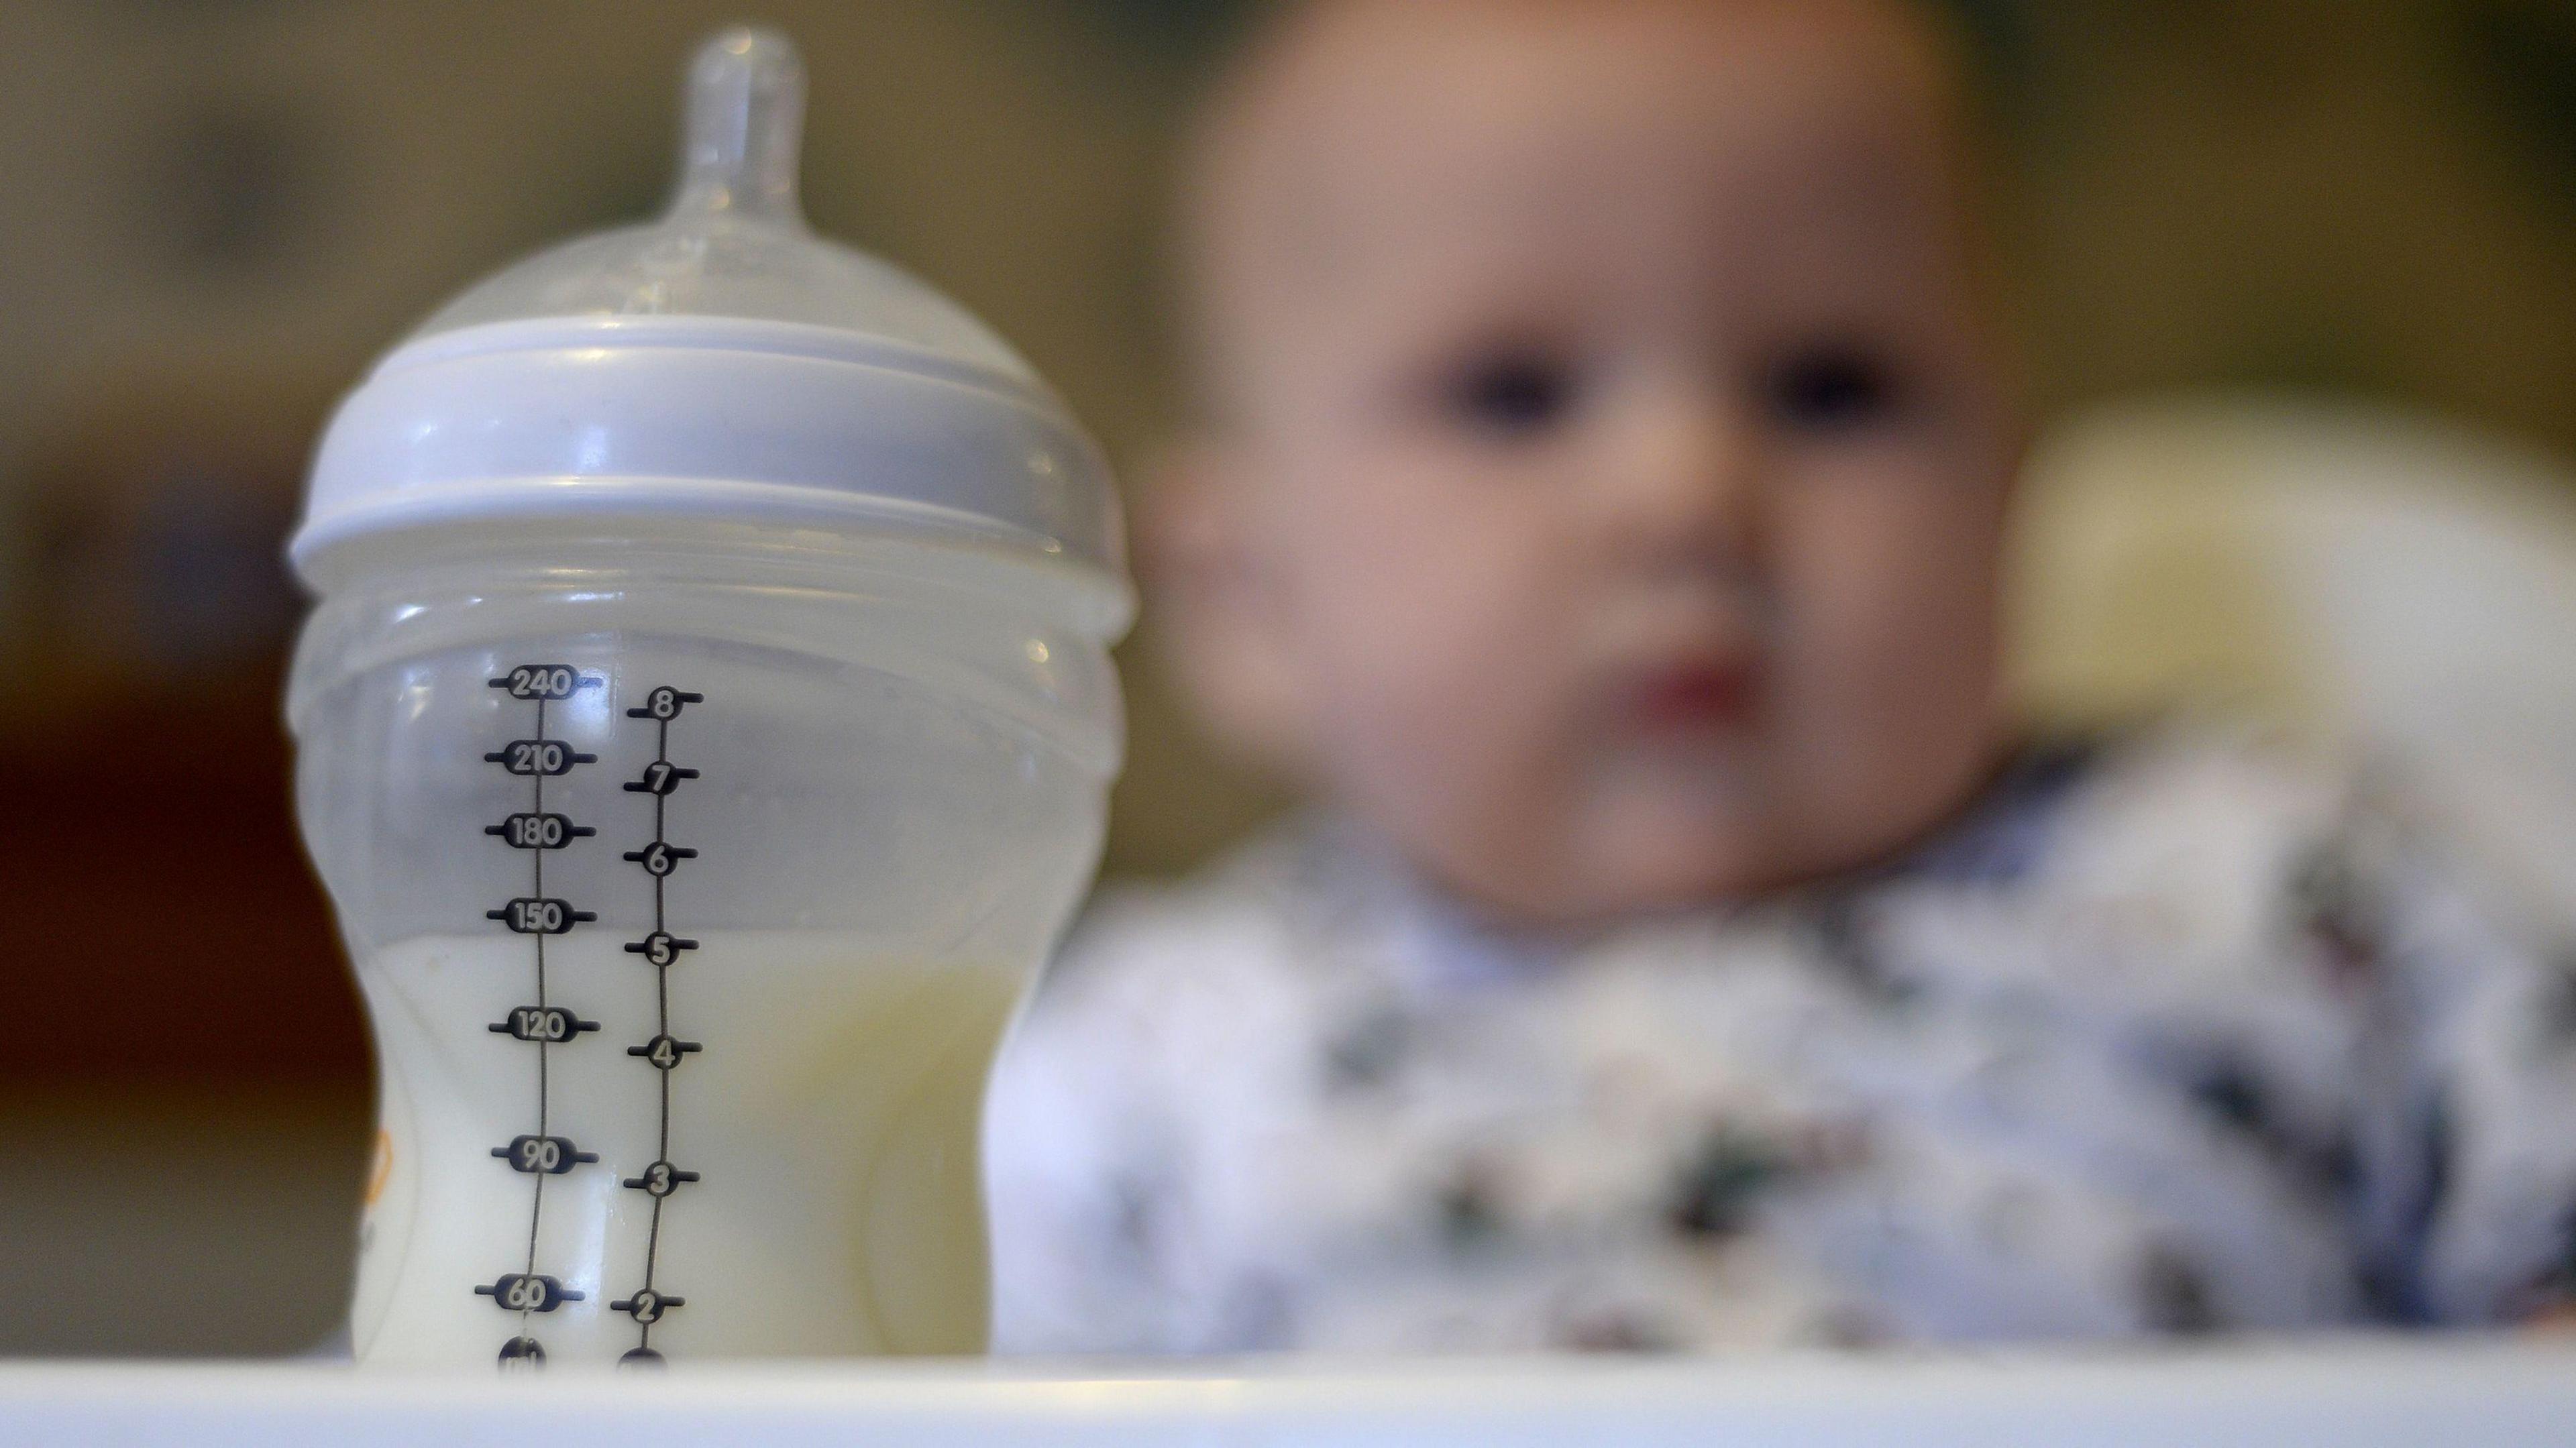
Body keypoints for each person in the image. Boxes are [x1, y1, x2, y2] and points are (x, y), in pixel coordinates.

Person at [983, 0, 2576, 1353]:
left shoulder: (2297, 889)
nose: (1688, 492)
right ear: (1248, 599)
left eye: (1833, 387)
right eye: (1516, 394)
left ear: (2011, 506)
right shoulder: (1138, 1070)